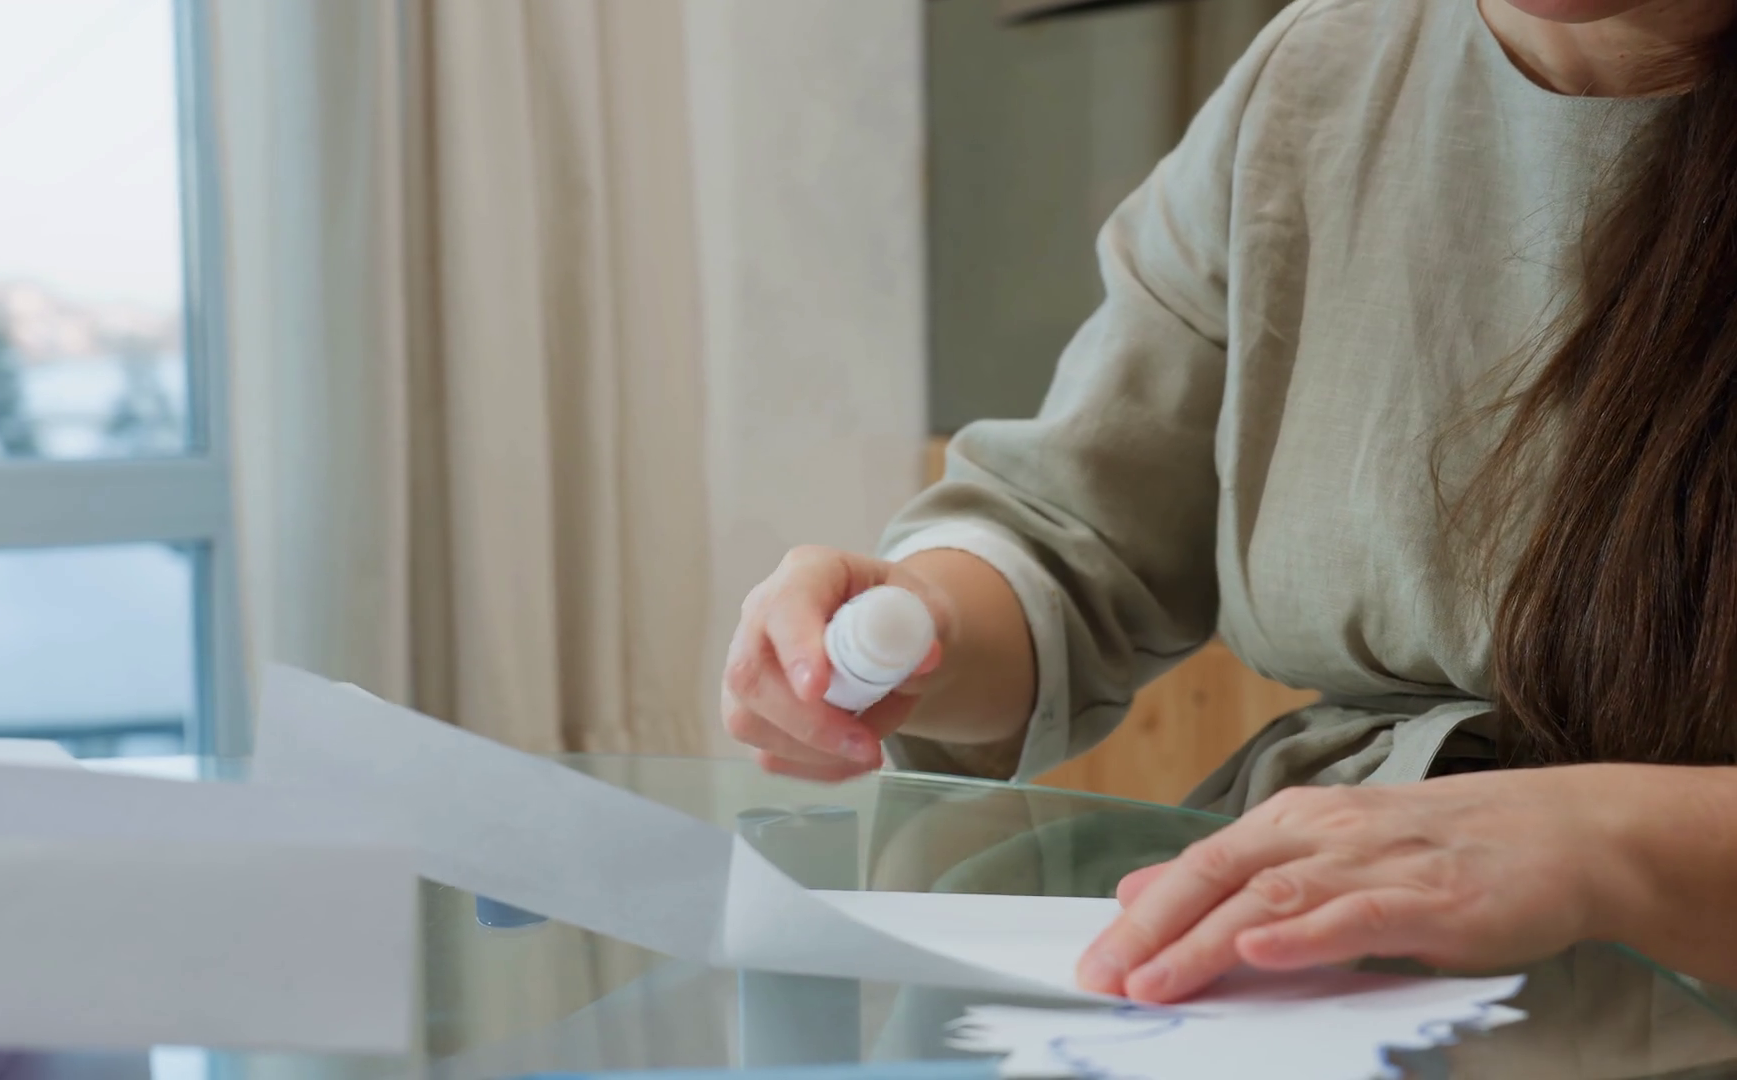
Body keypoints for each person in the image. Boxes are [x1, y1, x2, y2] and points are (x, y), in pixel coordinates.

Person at [720, 0, 1737, 1004]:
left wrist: (1600, 841)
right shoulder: (1318, 76)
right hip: (1283, 960)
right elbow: (1077, 536)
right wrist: (913, 627)